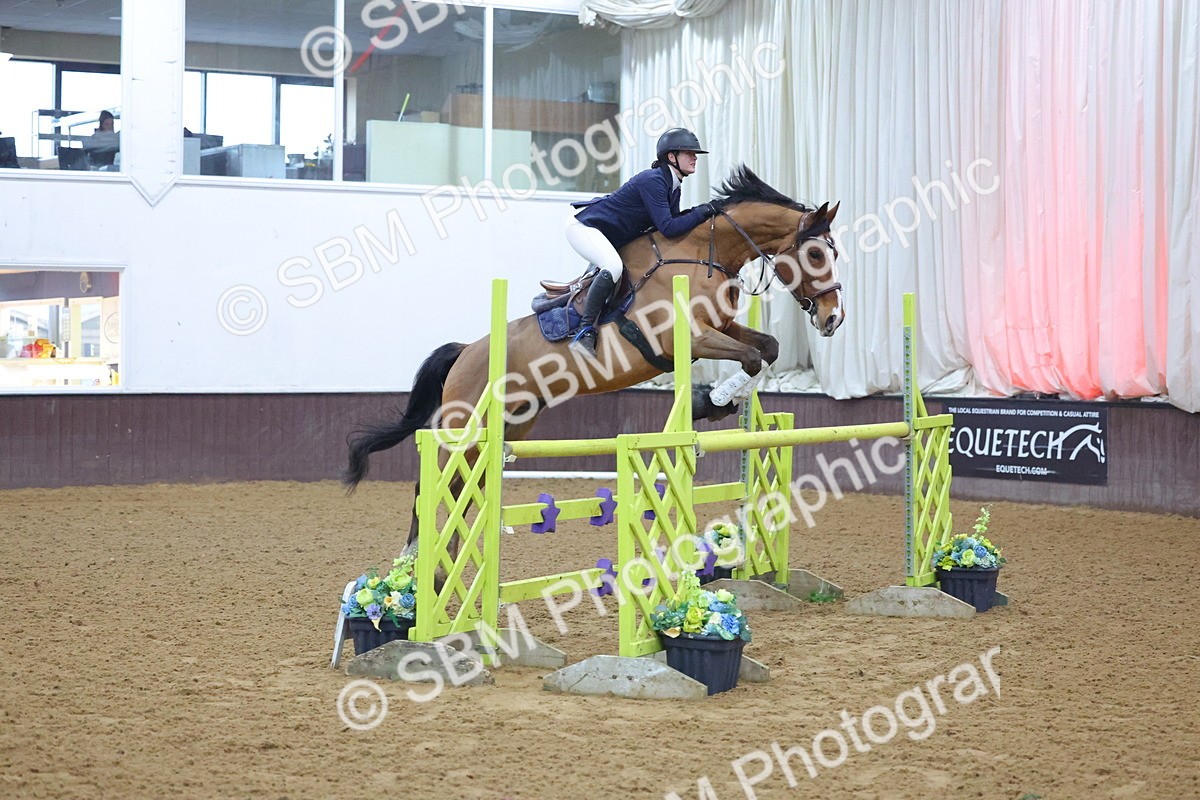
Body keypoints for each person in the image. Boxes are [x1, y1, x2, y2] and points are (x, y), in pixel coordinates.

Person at [565, 127, 722, 356]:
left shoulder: (672, 184)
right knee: (613, 266)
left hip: (607, 233)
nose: (695, 157)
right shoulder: (654, 181)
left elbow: (672, 223)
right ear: (672, 157)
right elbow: (668, 228)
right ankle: (585, 331)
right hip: (584, 227)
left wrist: (703, 213)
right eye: (689, 153)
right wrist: (702, 211)